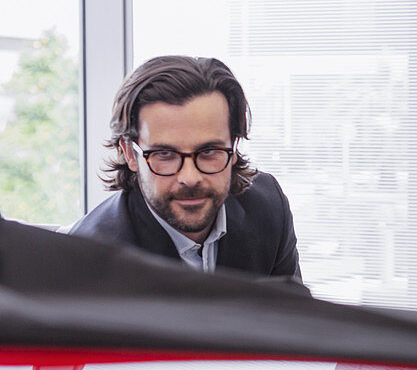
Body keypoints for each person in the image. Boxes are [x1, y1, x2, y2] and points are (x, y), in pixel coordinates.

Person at [69, 55, 301, 279]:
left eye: (209, 151)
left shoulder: (268, 206)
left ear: (234, 146)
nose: (190, 178)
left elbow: (293, 316)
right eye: (165, 154)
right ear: (130, 153)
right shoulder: (88, 259)